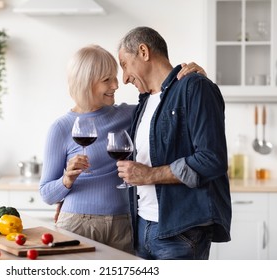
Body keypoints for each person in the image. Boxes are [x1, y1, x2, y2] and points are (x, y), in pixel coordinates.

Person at [39, 44, 205, 254]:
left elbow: (169, 106)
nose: (117, 85)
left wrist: (196, 79)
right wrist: (66, 180)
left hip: (124, 225)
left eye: (115, 77)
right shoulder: (61, 128)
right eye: (107, 79)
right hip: (77, 223)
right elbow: (46, 193)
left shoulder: (128, 114)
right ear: (86, 82)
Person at [116, 26, 232, 260]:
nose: (124, 78)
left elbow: (212, 159)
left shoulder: (195, 87)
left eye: (124, 65)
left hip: (181, 231)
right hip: (142, 228)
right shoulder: (144, 102)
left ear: (143, 52)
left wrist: (149, 175)